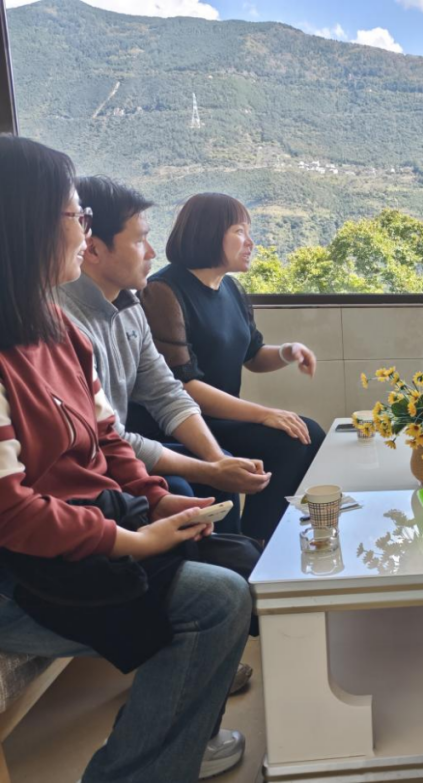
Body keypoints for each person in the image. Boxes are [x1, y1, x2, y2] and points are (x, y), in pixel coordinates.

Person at [0, 135, 250, 782]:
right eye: (74, 216)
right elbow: (12, 512)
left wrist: (157, 500)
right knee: (217, 600)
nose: (83, 233)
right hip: (20, 567)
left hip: (75, 532)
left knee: (232, 561)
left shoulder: (59, 330)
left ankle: (163, 743)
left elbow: (109, 438)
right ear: (25, 223)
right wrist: (129, 540)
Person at [59, 176, 272, 539]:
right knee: (187, 485)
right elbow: (105, 437)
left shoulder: (130, 307)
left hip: (118, 449)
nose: (151, 253)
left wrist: (217, 460)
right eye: (139, 240)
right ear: (92, 249)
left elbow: (167, 393)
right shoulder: (62, 320)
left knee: (222, 468)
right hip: (90, 464)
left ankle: (241, 554)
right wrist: (210, 470)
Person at [137, 193, 325, 543]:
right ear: (209, 233)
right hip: (181, 423)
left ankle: (260, 538)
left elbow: (253, 355)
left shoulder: (231, 288)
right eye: (239, 231)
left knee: (306, 434)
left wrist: (288, 352)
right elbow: (182, 386)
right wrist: (264, 414)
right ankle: (248, 544)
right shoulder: (163, 292)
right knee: (293, 435)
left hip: (219, 418)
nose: (250, 241)